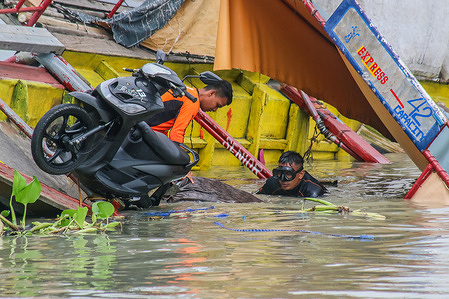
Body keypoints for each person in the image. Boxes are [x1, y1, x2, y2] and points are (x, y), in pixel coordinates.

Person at [146, 80, 233, 143]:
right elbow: (176, 134)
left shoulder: (186, 89)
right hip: (146, 133)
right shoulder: (192, 102)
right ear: (211, 93)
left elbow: (163, 122)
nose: (215, 110)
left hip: (145, 128)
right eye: (217, 105)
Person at [257, 151, 327, 198]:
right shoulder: (272, 183)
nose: (283, 179)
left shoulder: (313, 191)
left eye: (288, 174)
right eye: (279, 173)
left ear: (301, 174)